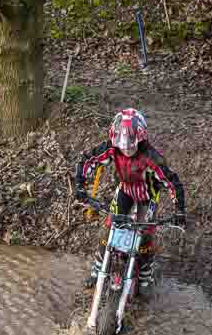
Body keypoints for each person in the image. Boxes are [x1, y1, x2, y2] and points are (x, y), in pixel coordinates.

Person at [75, 108, 186, 298]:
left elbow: (172, 182)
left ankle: (145, 273)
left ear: (140, 138)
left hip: (147, 196)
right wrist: (80, 187)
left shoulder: (152, 157)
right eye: (121, 145)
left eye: (131, 145)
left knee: (145, 233)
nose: (126, 149)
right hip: (125, 190)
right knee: (110, 226)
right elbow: (88, 160)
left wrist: (180, 211)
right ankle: (98, 266)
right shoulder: (111, 147)